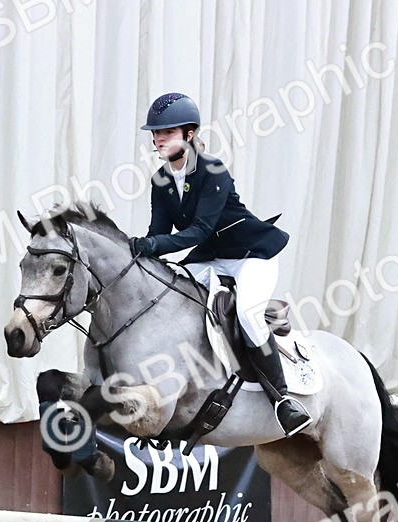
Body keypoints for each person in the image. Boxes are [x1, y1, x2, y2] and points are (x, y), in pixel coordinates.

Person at [129, 92, 313, 437]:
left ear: (188, 134)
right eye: (155, 134)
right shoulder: (160, 180)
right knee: (177, 299)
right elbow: (158, 233)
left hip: (248, 256)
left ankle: (283, 401)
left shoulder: (212, 170)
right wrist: (137, 253)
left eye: (165, 132)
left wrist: (151, 245)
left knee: (246, 314)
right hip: (209, 260)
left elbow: (199, 231)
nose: (157, 139)